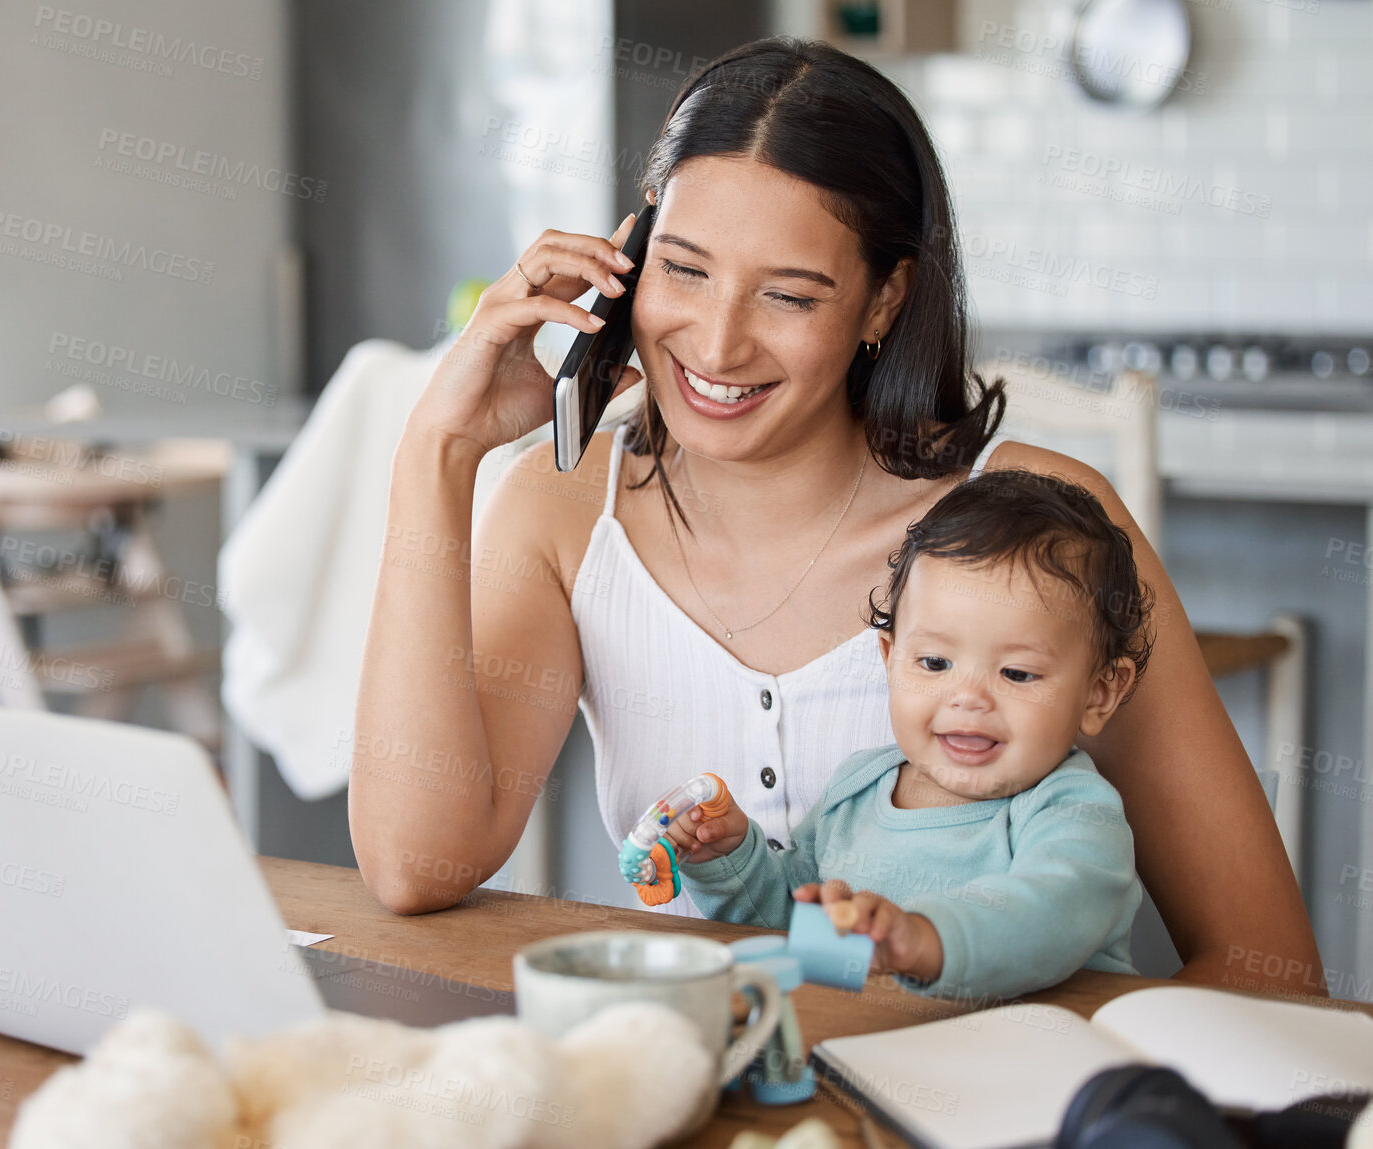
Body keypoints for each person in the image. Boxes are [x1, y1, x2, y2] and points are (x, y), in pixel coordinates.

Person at [349, 36, 1321, 994]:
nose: (718, 344)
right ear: (632, 256)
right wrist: (439, 451)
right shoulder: (565, 513)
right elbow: (414, 865)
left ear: (883, 301)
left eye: (787, 295)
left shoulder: (1045, 528)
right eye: (683, 270)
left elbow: (1268, 967)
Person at [668, 469, 1147, 1000]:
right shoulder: (856, 791)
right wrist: (729, 860)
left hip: (1036, 1069)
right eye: (936, 662)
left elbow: (1053, 911)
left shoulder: (1071, 809)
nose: (968, 698)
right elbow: (795, 930)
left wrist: (924, 938)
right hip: (870, 1065)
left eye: (1017, 674)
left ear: (1100, 693)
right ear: (891, 659)